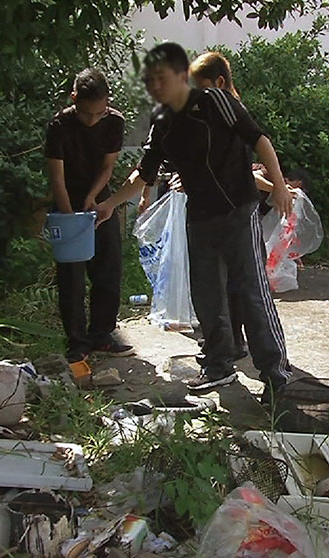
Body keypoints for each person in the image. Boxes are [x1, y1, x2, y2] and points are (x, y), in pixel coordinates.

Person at [95, 42, 294, 403]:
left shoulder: (214, 100)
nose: (155, 87)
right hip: (200, 216)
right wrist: (110, 203)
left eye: (161, 79)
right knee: (207, 296)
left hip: (238, 209)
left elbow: (259, 139)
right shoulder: (162, 120)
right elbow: (146, 172)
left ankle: (276, 375)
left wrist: (279, 187)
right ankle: (218, 367)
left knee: (251, 292)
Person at [44, 68, 134, 362]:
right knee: (71, 275)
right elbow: (56, 177)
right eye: (87, 114)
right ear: (74, 99)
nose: (93, 119)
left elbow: (108, 166)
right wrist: (71, 217)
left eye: (100, 112)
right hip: (65, 199)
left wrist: (93, 198)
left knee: (108, 267)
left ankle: (102, 334)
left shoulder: (114, 122)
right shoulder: (59, 125)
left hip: (98, 200)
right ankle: (76, 341)